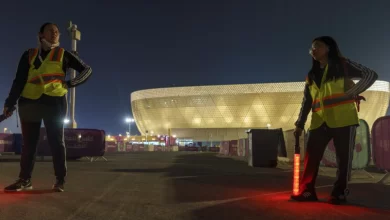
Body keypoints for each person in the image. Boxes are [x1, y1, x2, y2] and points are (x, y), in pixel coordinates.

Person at [2, 22, 92, 192]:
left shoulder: (63, 54)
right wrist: (9, 103)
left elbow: (87, 70)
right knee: (29, 144)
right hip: (29, 102)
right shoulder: (29, 55)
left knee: (57, 142)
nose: (55, 33)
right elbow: (19, 81)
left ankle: (60, 180)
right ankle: (24, 180)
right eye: (50, 31)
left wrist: (70, 83)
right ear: (41, 34)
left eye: (57, 31)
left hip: (55, 102)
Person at [290, 36, 378, 205]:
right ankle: (307, 191)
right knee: (311, 158)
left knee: (343, 160)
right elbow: (307, 101)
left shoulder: (343, 65)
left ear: (328, 48)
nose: (313, 50)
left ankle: (339, 193)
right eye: (311, 48)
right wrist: (300, 124)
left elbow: (371, 74)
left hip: (343, 119)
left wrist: (354, 91)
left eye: (317, 46)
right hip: (319, 121)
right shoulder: (311, 75)